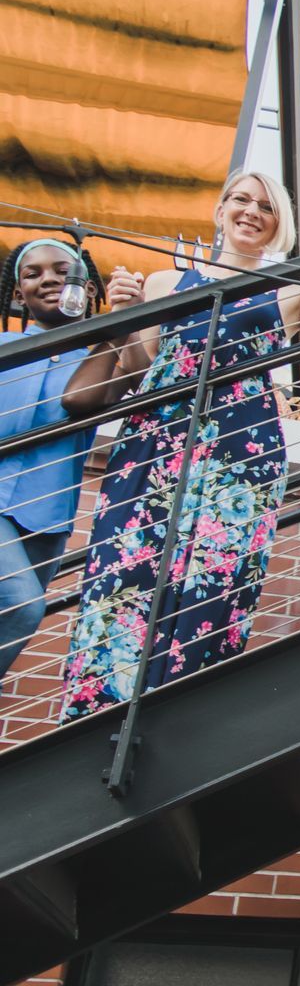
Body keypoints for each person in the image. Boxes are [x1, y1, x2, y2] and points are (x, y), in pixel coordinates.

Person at [58, 170, 300, 720]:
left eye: (265, 205)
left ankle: (181, 707)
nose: (251, 211)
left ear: (279, 222)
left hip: (241, 449)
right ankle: (98, 708)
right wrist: (119, 315)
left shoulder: (291, 289)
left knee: (216, 574)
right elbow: (140, 366)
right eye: (240, 200)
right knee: (126, 567)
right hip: (155, 439)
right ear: (220, 209)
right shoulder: (165, 283)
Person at [0, 237, 118, 687]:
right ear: (18, 294)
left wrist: (121, 323)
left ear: (88, 289)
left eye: (61, 271)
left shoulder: (103, 359)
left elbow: (84, 401)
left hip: (46, 518)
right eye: (32, 274)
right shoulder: (4, 347)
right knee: (23, 605)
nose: (48, 278)